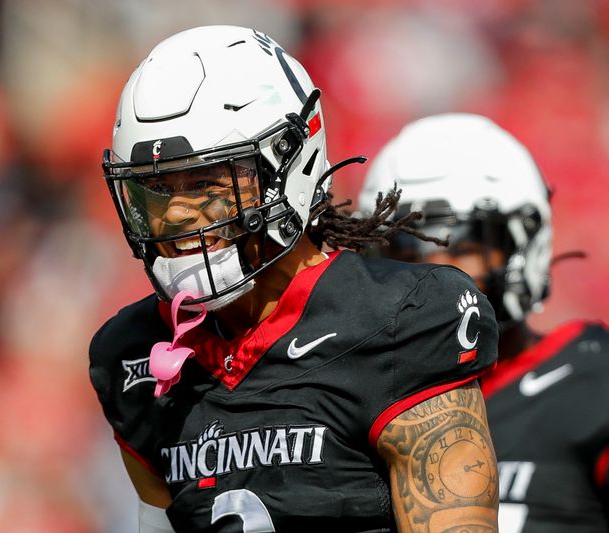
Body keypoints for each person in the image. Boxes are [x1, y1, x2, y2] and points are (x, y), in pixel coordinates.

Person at [89, 26, 500, 532]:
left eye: (204, 181)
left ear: (290, 164)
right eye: (156, 189)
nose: (175, 213)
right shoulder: (131, 353)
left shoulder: (400, 320)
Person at [358, 112, 609, 532]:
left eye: (464, 249)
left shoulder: (593, 383)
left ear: (522, 250)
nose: (432, 279)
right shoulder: (349, 396)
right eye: (408, 252)